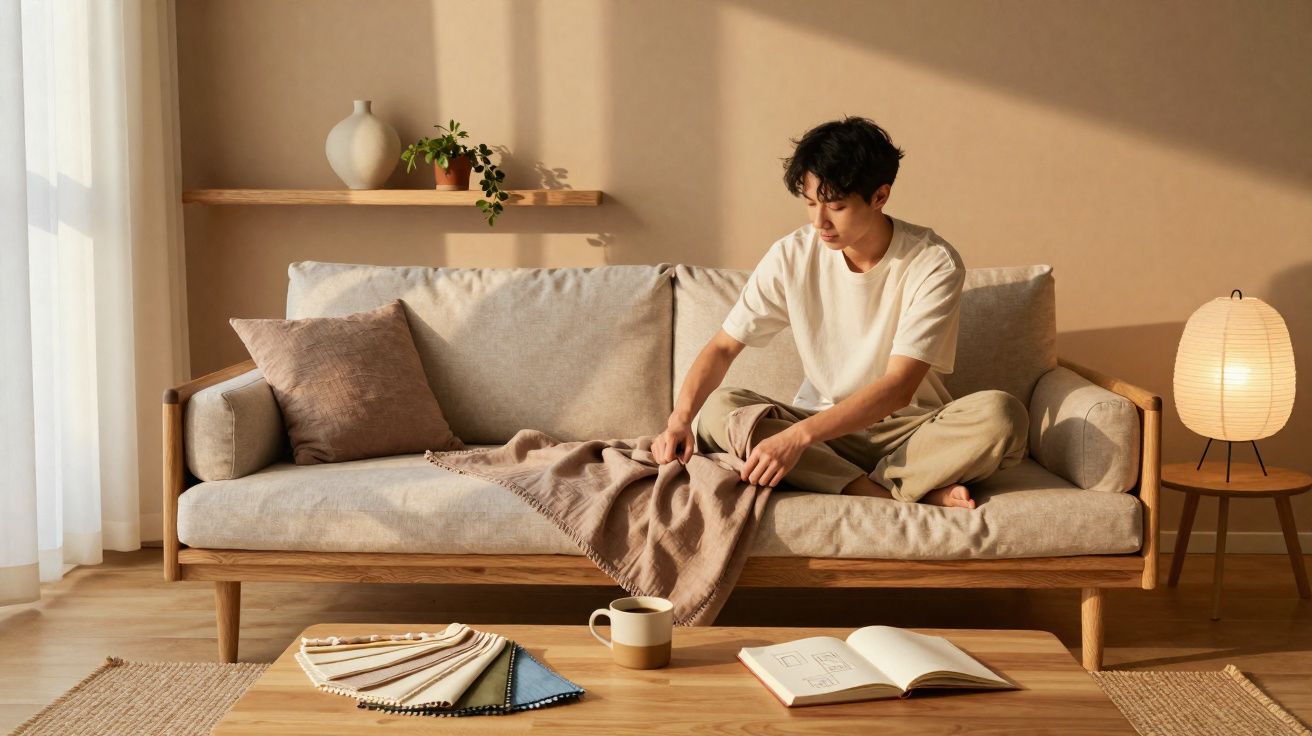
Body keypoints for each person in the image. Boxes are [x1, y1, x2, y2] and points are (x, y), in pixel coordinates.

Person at [650, 117, 1027, 509]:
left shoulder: (932, 262)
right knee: (719, 411)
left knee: (1003, 414)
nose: (819, 222)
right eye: (811, 203)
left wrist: (796, 440)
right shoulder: (791, 255)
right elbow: (723, 347)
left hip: (909, 432)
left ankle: (865, 482)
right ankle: (893, 492)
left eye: (837, 206)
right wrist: (679, 418)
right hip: (824, 429)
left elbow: (898, 388)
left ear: (880, 197)